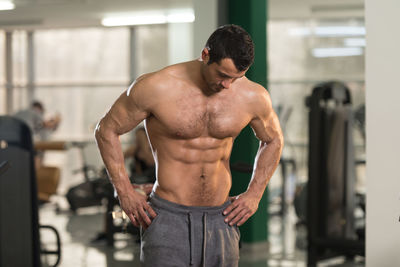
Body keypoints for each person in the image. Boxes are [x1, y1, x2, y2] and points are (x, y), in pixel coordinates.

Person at [95, 24, 283, 267]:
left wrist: (254, 194)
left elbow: (274, 139)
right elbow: (106, 130)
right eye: (223, 75)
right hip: (167, 218)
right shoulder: (156, 87)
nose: (227, 85)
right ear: (205, 55)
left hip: (222, 219)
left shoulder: (253, 96)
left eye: (236, 78)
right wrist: (124, 192)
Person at [15, 101, 62, 202]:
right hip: (26, 146)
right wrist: (56, 121)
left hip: (13, 146)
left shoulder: (21, 113)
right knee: (33, 168)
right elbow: (48, 125)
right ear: (40, 109)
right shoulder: (35, 113)